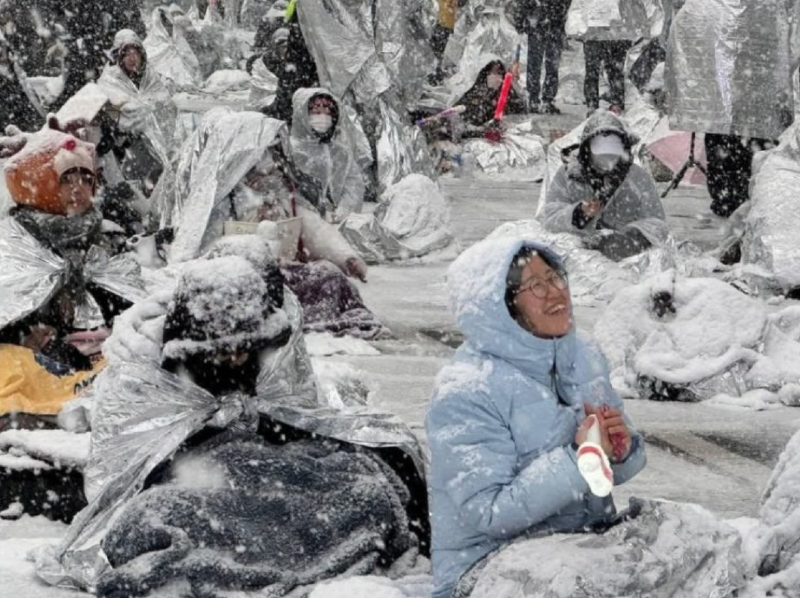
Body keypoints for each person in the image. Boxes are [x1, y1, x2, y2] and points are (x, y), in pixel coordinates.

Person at [42, 248, 429, 595]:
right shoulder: (141, 374)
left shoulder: (268, 351)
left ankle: (279, 539)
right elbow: (120, 475)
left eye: (246, 351)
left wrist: (262, 440)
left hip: (266, 472)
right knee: (154, 516)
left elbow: (294, 414)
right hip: (189, 483)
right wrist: (216, 440)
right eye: (223, 353)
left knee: (366, 485)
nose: (237, 362)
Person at [426, 237, 646, 598]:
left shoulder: (582, 356)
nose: (555, 292)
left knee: (691, 540)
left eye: (556, 277)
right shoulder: (466, 390)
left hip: (578, 554)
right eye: (535, 285)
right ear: (502, 307)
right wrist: (583, 459)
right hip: (488, 572)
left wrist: (618, 450)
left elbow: (602, 480)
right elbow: (488, 513)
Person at [539, 110, 669, 261]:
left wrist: (628, 237)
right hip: (576, 257)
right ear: (587, 149)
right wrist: (579, 214)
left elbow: (658, 223)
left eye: (612, 153)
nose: (607, 160)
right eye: (601, 153)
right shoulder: (568, 176)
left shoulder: (638, 178)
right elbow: (548, 217)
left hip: (627, 258)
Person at [288, 88, 365, 220]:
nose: (323, 117)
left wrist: (344, 210)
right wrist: (312, 213)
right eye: (316, 112)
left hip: (336, 224)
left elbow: (354, 185)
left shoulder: (341, 152)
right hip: (302, 223)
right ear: (302, 115)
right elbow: (287, 190)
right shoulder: (288, 149)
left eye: (328, 112)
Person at [511, 0, 571, 114]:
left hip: (550, 23)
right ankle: (537, 99)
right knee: (539, 64)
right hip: (541, 23)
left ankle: (544, 99)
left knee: (549, 65)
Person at [453, 60, 527, 131]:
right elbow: (461, 113)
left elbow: (520, 114)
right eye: (492, 73)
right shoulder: (474, 94)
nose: (496, 77)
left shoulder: (510, 95)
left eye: (499, 73)